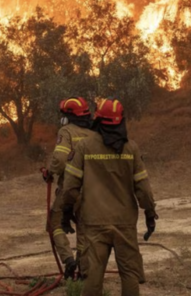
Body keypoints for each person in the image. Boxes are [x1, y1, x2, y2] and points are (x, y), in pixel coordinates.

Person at [61, 99, 157, 296]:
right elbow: (144, 189)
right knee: (129, 274)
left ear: (97, 120)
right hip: (125, 223)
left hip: (94, 222)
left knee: (93, 276)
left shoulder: (85, 147)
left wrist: (66, 211)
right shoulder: (131, 149)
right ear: (121, 121)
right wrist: (149, 212)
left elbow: (70, 186)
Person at [44, 97, 94, 279]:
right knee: (84, 228)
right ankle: (84, 271)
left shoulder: (66, 131)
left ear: (68, 116)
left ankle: (68, 260)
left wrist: (50, 172)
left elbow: (60, 158)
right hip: (91, 190)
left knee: (54, 224)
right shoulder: (94, 133)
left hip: (69, 188)